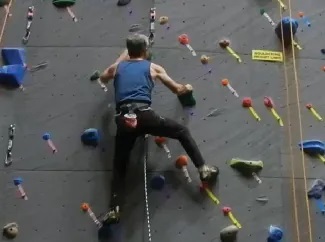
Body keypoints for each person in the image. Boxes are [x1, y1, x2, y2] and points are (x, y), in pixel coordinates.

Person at [98, 33, 219, 225]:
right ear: (145, 51)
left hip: (123, 120)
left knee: (119, 165)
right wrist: (186, 87)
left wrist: (122, 57)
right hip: (145, 115)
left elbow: (103, 77)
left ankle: (114, 209)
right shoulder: (153, 67)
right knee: (180, 131)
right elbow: (177, 90)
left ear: (129, 51)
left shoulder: (117, 68)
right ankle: (203, 169)